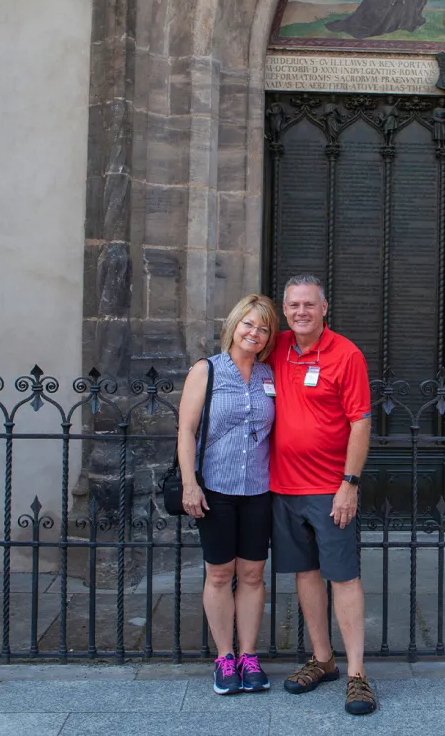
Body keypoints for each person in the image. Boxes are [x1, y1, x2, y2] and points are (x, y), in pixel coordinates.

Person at [269, 274, 377, 715]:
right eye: (293, 305)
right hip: (282, 487)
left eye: (309, 304)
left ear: (324, 308)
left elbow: (360, 422)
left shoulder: (346, 354)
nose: (301, 312)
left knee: (344, 577)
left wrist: (349, 485)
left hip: (330, 489)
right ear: (284, 309)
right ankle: (323, 659)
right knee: (306, 574)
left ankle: (357, 675)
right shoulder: (274, 347)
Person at [177, 293, 279, 696]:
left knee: (252, 574)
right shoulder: (207, 370)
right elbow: (186, 430)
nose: (254, 332)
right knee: (220, 573)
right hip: (215, 489)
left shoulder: (270, 375)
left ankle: (248, 656)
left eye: (263, 328)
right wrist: (190, 483)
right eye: (248, 323)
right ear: (234, 325)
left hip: (258, 489)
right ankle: (224, 657)